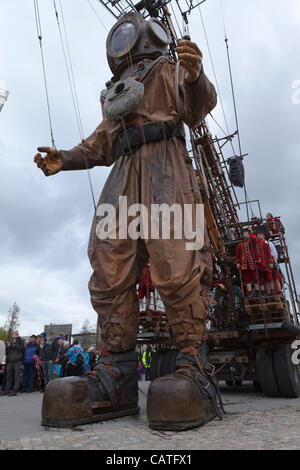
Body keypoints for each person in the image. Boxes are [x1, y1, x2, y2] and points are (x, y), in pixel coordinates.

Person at [35, 12, 221, 430]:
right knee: (108, 264)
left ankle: (194, 363)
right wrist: (63, 159)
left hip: (166, 166)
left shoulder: (171, 69)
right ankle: (115, 373)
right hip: (121, 174)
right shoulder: (115, 93)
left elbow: (198, 108)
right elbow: (100, 143)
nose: (128, 39)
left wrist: (194, 76)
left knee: (178, 262)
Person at [236, 230, 261, 297]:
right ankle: (249, 292)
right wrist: (238, 263)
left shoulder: (251, 242)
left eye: (246, 233)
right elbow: (237, 256)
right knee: (247, 279)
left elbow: (255, 240)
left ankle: (258, 291)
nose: (245, 234)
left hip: (252, 263)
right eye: (244, 233)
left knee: (255, 277)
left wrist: (251, 232)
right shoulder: (239, 245)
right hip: (244, 264)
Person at [0, 331, 25, 396]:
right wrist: (8, 346)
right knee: (9, 376)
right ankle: (7, 390)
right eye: (14, 334)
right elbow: (6, 352)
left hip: (17, 361)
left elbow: (22, 349)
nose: (15, 335)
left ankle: (15, 390)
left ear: (18, 335)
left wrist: (15, 345)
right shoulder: (9, 341)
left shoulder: (21, 341)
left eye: (17, 334)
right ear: (12, 335)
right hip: (10, 361)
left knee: (16, 376)